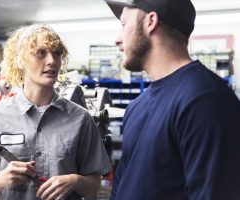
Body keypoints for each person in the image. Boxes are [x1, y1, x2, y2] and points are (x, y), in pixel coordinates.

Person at [103, 0, 240, 199]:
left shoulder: (206, 100)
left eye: (124, 25)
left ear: (151, 22)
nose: (118, 39)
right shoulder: (136, 108)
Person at [0, 24, 112, 200]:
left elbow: (94, 184)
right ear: (20, 60)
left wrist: (74, 181)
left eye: (57, 53)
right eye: (41, 53)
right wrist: (2, 178)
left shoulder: (81, 118)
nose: (52, 61)